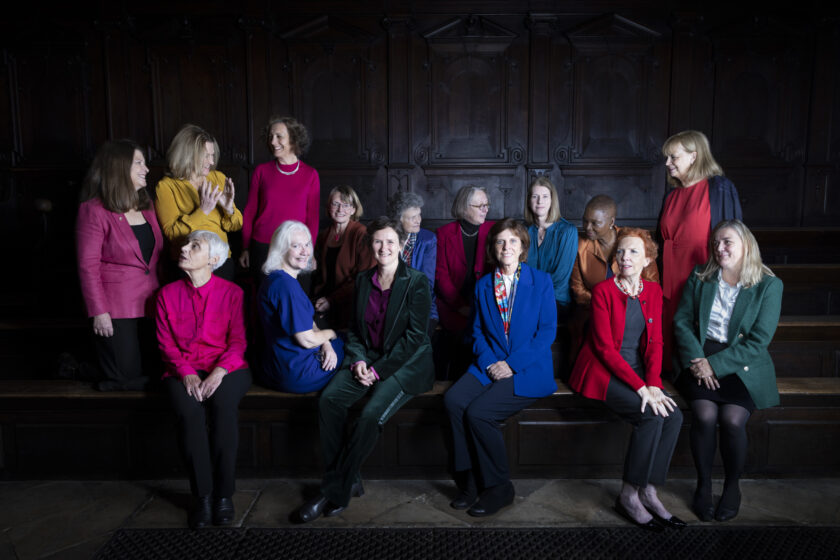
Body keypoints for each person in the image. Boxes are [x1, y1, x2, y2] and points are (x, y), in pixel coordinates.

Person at [294, 217, 434, 522]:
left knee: (369, 416)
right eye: (378, 242)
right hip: (366, 359)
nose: (384, 248)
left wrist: (378, 370)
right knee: (329, 400)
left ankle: (332, 491)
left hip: (405, 366)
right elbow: (355, 331)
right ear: (371, 245)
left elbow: (415, 339)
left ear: (401, 245)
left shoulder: (417, 282)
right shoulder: (362, 281)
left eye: (390, 242)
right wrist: (358, 360)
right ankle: (350, 479)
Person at [569, 227, 685, 531]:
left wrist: (654, 384)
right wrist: (641, 388)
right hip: (602, 372)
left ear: (647, 259)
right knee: (650, 416)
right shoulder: (604, 292)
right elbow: (605, 349)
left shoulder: (653, 292)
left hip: (639, 374)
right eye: (620, 251)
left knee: (672, 416)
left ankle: (649, 489)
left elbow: (656, 344)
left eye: (633, 251)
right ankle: (629, 494)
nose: (625, 257)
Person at [444, 218, 557, 517]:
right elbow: (477, 331)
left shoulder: (541, 281)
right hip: (490, 362)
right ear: (493, 248)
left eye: (513, 242)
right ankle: (468, 482)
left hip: (527, 368)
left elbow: (546, 333)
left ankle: (498, 488)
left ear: (523, 248)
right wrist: (490, 362)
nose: (506, 247)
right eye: (500, 242)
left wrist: (511, 364)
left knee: (479, 413)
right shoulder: (483, 285)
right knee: (453, 401)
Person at [673, 219, 782, 523]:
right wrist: (698, 359)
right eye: (716, 243)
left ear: (746, 244)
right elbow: (682, 322)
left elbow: (759, 340)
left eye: (727, 242)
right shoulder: (701, 276)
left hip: (741, 364)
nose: (719, 248)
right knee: (705, 415)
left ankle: (732, 486)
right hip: (698, 358)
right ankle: (704, 485)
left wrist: (716, 365)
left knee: (733, 421)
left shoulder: (769, 285)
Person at [156, 230, 252, 529]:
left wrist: (220, 372)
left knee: (223, 408)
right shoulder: (165, 295)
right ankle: (203, 496)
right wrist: (185, 373)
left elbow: (237, 342)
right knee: (189, 413)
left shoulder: (232, 293)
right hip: (181, 368)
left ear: (213, 259)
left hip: (227, 367)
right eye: (186, 245)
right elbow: (166, 345)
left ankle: (224, 496)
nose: (184, 249)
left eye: (194, 246)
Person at [76, 140, 163, 391]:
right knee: (128, 377)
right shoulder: (93, 210)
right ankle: (77, 369)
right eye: (138, 163)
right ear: (119, 167)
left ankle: (109, 376)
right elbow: (87, 265)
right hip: (116, 307)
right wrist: (98, 312)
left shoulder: (147, 206)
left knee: (158, 369)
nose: (146, 168)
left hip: (152, 302)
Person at [659, 130, 742, 369]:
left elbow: (734, 236)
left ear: (694, 156)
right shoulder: (671, 195)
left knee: (697, 340)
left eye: (673, 157)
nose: (667, 163)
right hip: (669, 279)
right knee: (670, 343)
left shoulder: (719, 188)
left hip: (702, 276)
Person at [257, 221, 344, 393]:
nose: (305, 252)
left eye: (307, 245)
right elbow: (307, 340)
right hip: (297, 373)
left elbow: (306, 321)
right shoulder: (286, 287)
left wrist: (325, 342)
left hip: (277, 366)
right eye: (296, 246)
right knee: (347, 343)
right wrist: (333, 334)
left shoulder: (277, 279)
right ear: (281, 249)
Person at [570, 195, 659, 355]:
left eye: (595, 223)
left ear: (611, 222)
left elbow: (652, 284)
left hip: (633, 313)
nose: (587, 227)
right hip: (593, 313)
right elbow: (578, 289)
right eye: (585, 221)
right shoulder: (579, 245)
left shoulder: (634, 241)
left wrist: (624, 308)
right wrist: (604, 308)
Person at [155, 124, 242, 280]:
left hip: (220, 261)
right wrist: (203, 211)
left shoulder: (218, 178)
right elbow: (173, 234)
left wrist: (229, 209)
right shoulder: (166, 186)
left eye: (212, 155)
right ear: (187, 155)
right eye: (206, 156)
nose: (211, 161)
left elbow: (236, 225)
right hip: (189, 264)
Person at [239, 116, 319, 282]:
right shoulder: (261, 171)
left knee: (294, 302)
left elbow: (312, 218)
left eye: (279, 136)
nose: (273, 141)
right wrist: (245, 248)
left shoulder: (310, 174)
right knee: (264, 301)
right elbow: (250, 212)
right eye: (270, 137)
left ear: (294, 138)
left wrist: (309, 252)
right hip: (262, 247)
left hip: (296, 249)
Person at [435, 185, 495, 378]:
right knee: (458, 336)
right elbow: (440, 275)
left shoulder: (493, 230)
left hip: (484, 300)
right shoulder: (444, 233)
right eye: (480, 205)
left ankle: (476, 379)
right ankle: (454, 381)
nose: (485, 209)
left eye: (487, 205)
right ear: (464, 207)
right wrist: (459, 306)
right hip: (452, 303)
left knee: (483, 332)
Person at [311, 185, 375, 330]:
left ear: (353, 209)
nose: (340, 210)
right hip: (324, 301)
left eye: (346, 205)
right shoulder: (323, 236)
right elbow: (319, 275)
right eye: (336, 204)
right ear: (329, 207)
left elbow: (364, 278)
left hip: (350, 303)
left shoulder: (361, 234)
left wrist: (332, 300)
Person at [523, 177, 578, 314]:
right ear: (529, 202)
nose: (540, 201)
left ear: (552, 200)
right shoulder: (523, 231)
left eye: (545, 196)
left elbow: (560, 278)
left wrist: (532, 297)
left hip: (555, 300)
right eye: (535, 196)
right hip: (526, 298)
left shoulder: (567, 231)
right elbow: (519, 271)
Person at [387, 191, 438, 335]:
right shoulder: (387, 237)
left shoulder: (428, 239)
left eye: (419, 215)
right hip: (389, 303)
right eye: (412, 217)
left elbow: (427, 283)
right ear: (399, 219)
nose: (418, 220)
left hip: (420, 305)